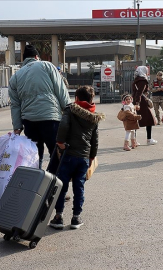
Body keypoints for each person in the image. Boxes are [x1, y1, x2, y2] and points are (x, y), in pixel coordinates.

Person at [49, 86, 105, 230]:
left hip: (68, 154)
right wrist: (92, 156)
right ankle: (76, 217)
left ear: (77, 99)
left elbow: (63, 125)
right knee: (79, 187)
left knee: (62, 186)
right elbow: (95, 139)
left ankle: (58, 216)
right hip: (84, 157)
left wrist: (60, 143)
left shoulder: (70, 110)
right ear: (92, 99)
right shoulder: (94, 117)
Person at [9, 45, 70, 172]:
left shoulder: (15, 76)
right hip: (50, 118)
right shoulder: (47, 66)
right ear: (37, 57)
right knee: (57, 154)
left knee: (34, 157)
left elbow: (15, 104)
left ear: (24, 59)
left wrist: (17, 127)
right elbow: (60, 89)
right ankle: (52, 184)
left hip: (29, 122)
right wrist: (68, 109)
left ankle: (36, 187)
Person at [132, 66, 157, 145]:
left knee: (136, 120)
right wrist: (138, 103)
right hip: (141, 102)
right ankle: (149, 139)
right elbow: (139, 93)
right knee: (149, 120)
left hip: (136, 101)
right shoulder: (142, 81)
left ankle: (134, 140)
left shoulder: (136, 80)